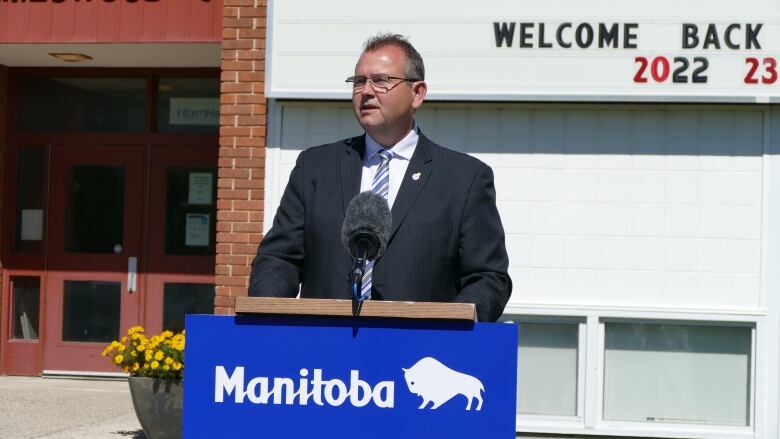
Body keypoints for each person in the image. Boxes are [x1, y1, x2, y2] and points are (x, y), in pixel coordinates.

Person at [249, 33, 511, 322]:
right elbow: (278, 259)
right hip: (324, 354)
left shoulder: (464, 179)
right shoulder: (315, 168)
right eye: (359, 81)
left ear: (417, 93)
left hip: (418, 353)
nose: (366, 91)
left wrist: (449, 329)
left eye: (381, 80)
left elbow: (488, 278)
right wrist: (264, 322)